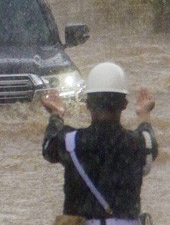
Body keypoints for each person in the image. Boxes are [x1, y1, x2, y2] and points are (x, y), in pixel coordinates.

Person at [41, 62, 158, 225]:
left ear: (87, 104)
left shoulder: (70, 141)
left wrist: (56, 115)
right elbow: (148, 138)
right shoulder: (139, 143)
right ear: (124, 104)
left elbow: (48, 148)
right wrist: (144, 114)